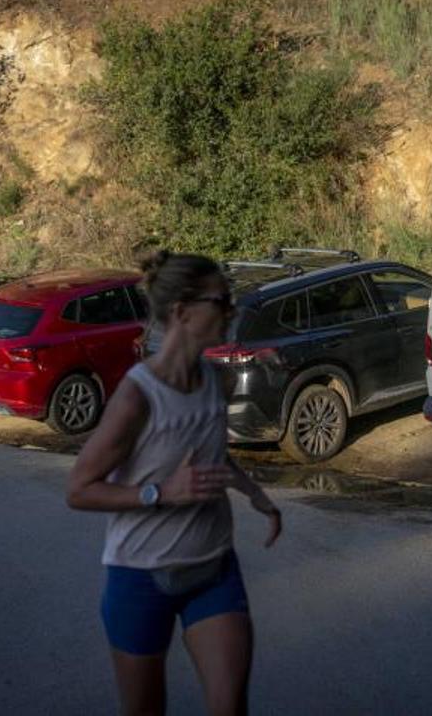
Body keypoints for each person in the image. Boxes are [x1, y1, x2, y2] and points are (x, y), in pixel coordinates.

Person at [67, 250, 282, 716]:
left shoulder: (214, 380)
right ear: (182, 312)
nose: (231, 310)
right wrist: (161, 493)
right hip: (140, 578)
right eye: (221, 301)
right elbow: (79, 489)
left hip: (213, 570)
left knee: (229, 706)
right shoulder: (137, 396)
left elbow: (209, 452)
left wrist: (255, 494)